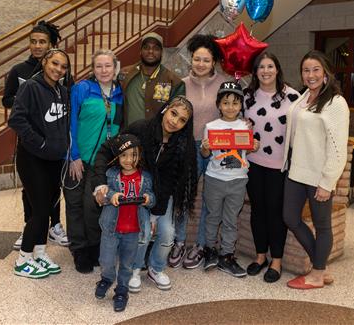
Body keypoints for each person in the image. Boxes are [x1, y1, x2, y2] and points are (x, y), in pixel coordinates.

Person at [93, 95, 197, 292]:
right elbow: (107, 150)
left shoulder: (183, 144)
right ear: (166, 109)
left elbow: (171, 182)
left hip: (161, 197)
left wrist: (156, 213)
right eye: (173, 113)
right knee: (143, 232)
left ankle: (156, 269)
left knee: (167, 234)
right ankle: (134, 269)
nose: (175, 121)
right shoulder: (141, 128)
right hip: (134, 194)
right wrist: (100, 185)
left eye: (182, 120)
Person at [282, 50, 349, 289]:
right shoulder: (303, 97)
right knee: (290, 217)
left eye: (315, 70)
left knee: (322, 226)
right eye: (306, 70)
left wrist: (327, 182)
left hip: (318, 175)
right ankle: (320, 264)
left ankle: (317, 273)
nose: (310, 75)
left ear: (326, 73)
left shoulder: (335, 103)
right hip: (296, 171)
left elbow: (338, 147)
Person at [2, 20, 69, 250]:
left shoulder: (61, 78)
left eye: (42, 42)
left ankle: (52, 228)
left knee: (50, 192)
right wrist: (31, 102)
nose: (37, 45)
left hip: (53, 147)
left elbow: (64, 106)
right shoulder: (22, 74)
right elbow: (10, 105)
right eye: (33, 41)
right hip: (32, 145)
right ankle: (30, 233)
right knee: (34, 197)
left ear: (50, 45)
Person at [168, 34, 226, 269]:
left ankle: (201, 244)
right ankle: (179, 242)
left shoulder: (224, 83)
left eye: (206, 60)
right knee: (184, 197)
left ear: (213, 62)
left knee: (210, 201)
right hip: (187, 147)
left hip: (215, 148)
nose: (200, 64)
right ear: (191, 60)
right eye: (197, 59)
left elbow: (234, 112)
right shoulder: (181, 84)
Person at [64, 49, 124, 274]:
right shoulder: (81, 89)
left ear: (115, 68)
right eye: (99, 66)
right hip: (77, 158)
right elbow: (70, 123)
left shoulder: (119, 93)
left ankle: (93, 247)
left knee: (92, 206)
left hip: (102, 162)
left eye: (108, 66)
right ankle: (79, 251)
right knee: (75, 204)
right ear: (93, 69)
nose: (104, 70)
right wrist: (74, 155)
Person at [244, 52, 300, 283]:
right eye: (261, 67)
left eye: (270, 66)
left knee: (275, 212)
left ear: (277, 69)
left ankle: (276, 260)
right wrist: (243, 126)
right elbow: (235, 125)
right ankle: (260, 257)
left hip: (281, 166)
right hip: (253, 164)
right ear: (255, 72)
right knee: (258, 210)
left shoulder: (293, 97)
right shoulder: (247, 96)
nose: (265, 71)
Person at [201, 81, 259, 278]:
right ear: (218, 104)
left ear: (241, 105)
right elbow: (204, 153)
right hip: (214, 178)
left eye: (235, 103)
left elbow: (248, 150)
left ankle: (227, 255)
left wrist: (254, 145)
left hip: (238, 179)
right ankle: (210, 250)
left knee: (230, 220)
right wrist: (205, 147)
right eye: (226, 103)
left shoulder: (245, 125)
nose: (230, 107)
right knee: (212, 217)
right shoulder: (210, 126)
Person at [94, 134, 155, 312]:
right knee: (106, 260)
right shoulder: (110, 174)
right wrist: (109, 195)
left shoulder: (146, 177)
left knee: (127, 264)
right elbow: (102, 197)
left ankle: (122, 289)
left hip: (134, 230)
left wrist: (147, 199)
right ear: (117, 157)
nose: (129, 160)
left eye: (134, 155)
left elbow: (153, 197)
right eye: (124, 155)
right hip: (112, 228)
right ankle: (106, 278)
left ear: (140, 155)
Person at [120, 32, 185, 127]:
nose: (150, 51)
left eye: (156, 48)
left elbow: (178, 115)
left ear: (162, 53)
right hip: (128, 136)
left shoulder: (174, 81)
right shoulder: (125, 74)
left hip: (156, 139)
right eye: (146, 47)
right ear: (140, 51)